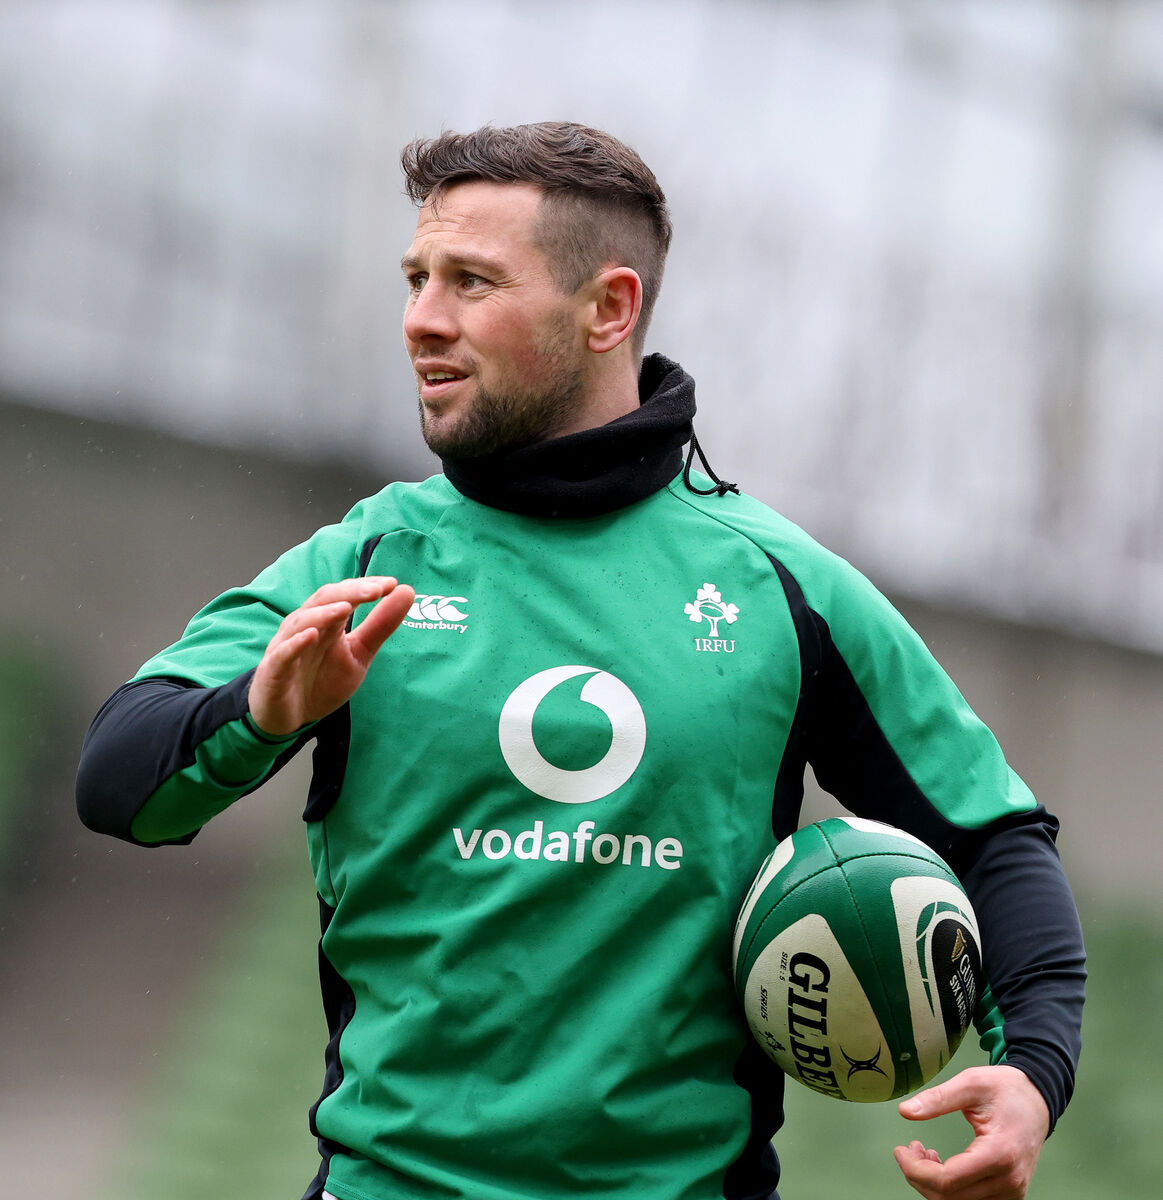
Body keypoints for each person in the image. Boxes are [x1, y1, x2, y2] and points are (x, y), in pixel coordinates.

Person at [77, 121, 1085, 1200]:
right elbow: (118, 784)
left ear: (607, 309)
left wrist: (1031, 1073)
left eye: (469, 281)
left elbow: (990, 840)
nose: (421, 319)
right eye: (415, 278)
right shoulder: (363, 561)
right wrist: (258, 711)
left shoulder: (779, 588)